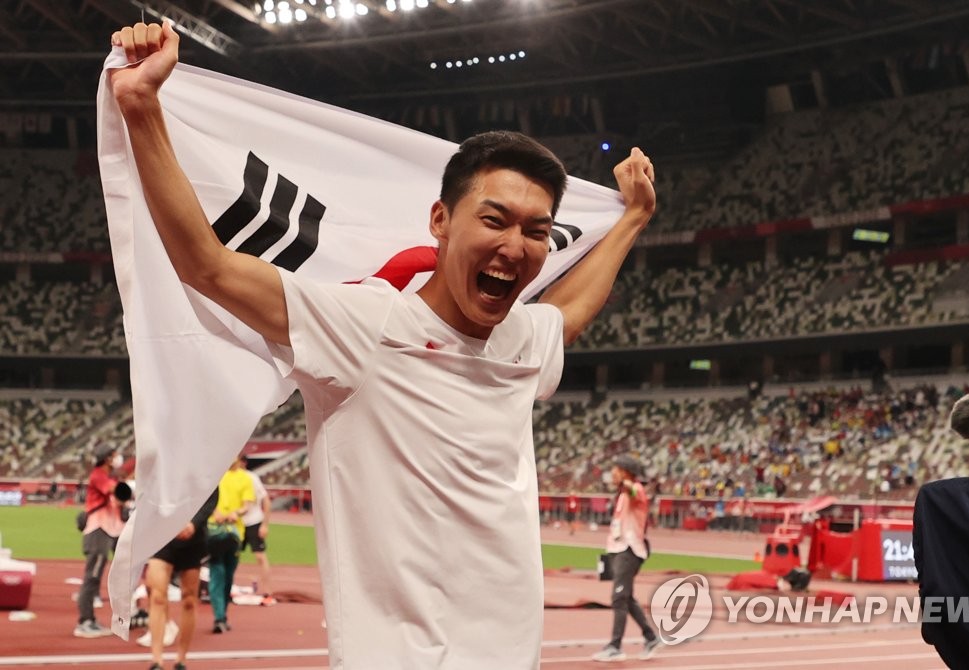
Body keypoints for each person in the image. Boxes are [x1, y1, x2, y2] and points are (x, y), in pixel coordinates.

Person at [109, 21, 655, 668]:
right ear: (440, 221)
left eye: (537, 231)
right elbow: (210, 267)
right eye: (494, 219)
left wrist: (634, 219)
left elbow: (569, 311)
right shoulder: (362, 326)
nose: (517, 247)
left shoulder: (521, 340)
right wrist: (142, 109)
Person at [592, 455, 660, 662]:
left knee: (619, 597)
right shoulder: (621, 494)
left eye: (616, 469)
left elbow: (633, 490)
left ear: (626, 472)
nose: (612, 473)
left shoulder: (635, 489)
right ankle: (650, 637)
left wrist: (626, 482)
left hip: (629, 551)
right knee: (627, 598)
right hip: (618, 549)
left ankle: (615, 646)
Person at [142, 489, 219, 670]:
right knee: (157, 596)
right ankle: (157, 661)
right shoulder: (163, 463)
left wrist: (193, 524)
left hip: (193, 539)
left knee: (190, 600)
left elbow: (211, 496)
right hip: (162, 535)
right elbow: (149, 491)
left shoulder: (204, 465)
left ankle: (181, 660)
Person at [74, 447, 127, 638]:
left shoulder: (108, 477)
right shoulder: (98, 476)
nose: (117, 458)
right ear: (107, 459)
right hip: (98, 532)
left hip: (105, 532)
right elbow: (117, 491)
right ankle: (84, 621)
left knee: (95, 577)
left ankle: (90, 620)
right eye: (114, 456)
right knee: (92, 578)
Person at [208, 454, 254, 634]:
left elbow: (247, 504)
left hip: (234, 533)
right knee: (216, 572)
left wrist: (237, 513)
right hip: (214, 531)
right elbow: (205, 498)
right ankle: (218, 616)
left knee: (228, 575)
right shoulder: (214, 474)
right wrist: (215, 511)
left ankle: (223, 613)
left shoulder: (244, 478)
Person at [238, 455, 275, 606]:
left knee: (260, 557)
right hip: (236, 523)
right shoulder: (226, 477)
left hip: (253, 521)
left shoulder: (251, 478)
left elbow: (266, 500)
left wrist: (265, 524)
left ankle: (268, 591)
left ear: (243, 463)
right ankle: (224, 589)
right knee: (230, 558)